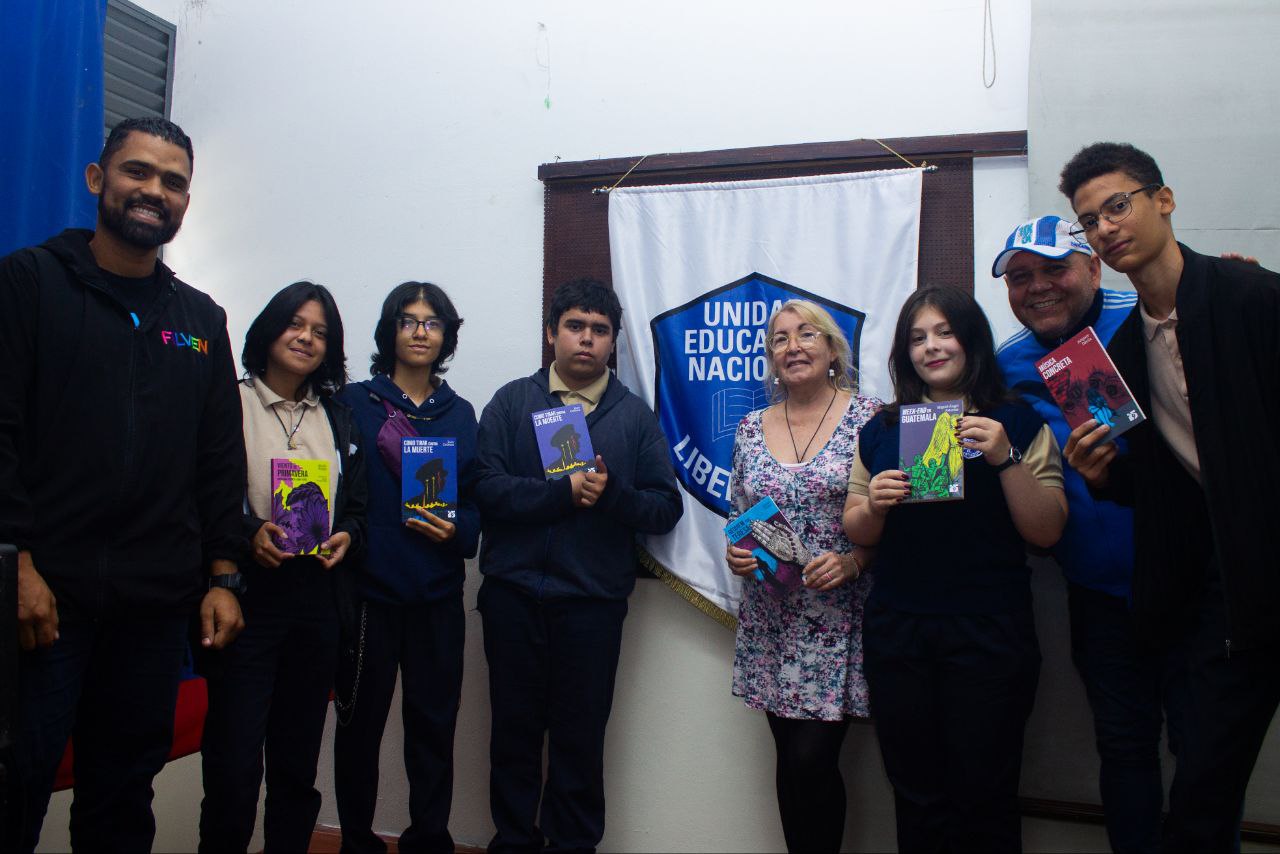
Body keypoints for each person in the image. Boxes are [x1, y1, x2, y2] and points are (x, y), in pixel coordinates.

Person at [0, 117, 245, 853]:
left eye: (173, 182)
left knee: (122, 799)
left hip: (154, 607)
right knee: (14, 786)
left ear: (186, 202)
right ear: (96, 178)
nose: (154, 191)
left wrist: (223, 575)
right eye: (138, 171)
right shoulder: (29, 282)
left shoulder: (200, 320)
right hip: (44, 601)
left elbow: (217, 458)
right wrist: (17, 563)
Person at [1058, 142, 1280, 853]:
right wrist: (1103, 477)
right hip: (1220, 599)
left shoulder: (1249, 294)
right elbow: (1161, 486)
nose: (1106, 227)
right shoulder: (1116, 352)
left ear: (1164, 200)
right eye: (1090, 221)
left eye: (1117, 206)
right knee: (1200, 800)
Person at [843, 286, 1067, 852]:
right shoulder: (882, 428)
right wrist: (876, 504)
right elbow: (857, 529)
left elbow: (1047, 533)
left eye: (945, 332)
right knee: (916, 794)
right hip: (900, 631)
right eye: (917, 338)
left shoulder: (1016, 420)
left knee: (985, 795)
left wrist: (1004, 458)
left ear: (971, 340)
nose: (932, 347)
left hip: (989, 630)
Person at [473, 278, 683, 853]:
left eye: (599, 330)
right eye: (575, 326)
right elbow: (485, 488)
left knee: (580, 742)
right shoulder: (511, 402)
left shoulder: (634, 417)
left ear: (613, 342)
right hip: (513, 598)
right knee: (513, 736)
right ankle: (512, 842)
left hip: (591, 607)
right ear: (551, 333)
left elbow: (665, 509)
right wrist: (559, 494)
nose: (586, 339)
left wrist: (610, 494)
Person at [992, 216, 1174, 854]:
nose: (1038, 286)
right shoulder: (1007, 363)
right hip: (1097, 596)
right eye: (1020, 277)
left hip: (1193, 584)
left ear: (1093, 268)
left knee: (1207, 750)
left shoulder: (1152, 315)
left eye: (1054, 269)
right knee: (1124, 748)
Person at [198, 282, 367, 853]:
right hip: (246, 600)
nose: (306, 339)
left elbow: (359, 509)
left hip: (317, 605)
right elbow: (200, 494)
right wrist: (248, 534)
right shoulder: (228, 401)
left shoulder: (338, 417)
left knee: (296, 768)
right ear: (270, 329)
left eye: (320, 332)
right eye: (296, 324)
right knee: (234, 767)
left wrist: (348, 535)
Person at [723, 300, 880, 853]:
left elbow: (907, 517)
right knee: (789, 762)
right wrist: (736, 555)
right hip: (771, 620)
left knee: (813, 761)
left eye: (807, 334)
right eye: (780, 339)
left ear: (833, 349)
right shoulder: (749, 427)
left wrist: (856, 560)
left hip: (838, 622)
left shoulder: (873, 419)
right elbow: (739, 515)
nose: (793, 347)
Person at [333, 281, 479, 854]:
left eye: (432, 322)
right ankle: (356, 841)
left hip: (437, 597)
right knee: (359, 730)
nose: (420, 332)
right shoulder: (353, 404)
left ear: (446, 336)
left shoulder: (459, 414)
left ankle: (429, 840)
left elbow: (475, 506)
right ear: (389, 330)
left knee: (433, 731)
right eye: (408, 320)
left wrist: (457, 531)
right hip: (369, 596)